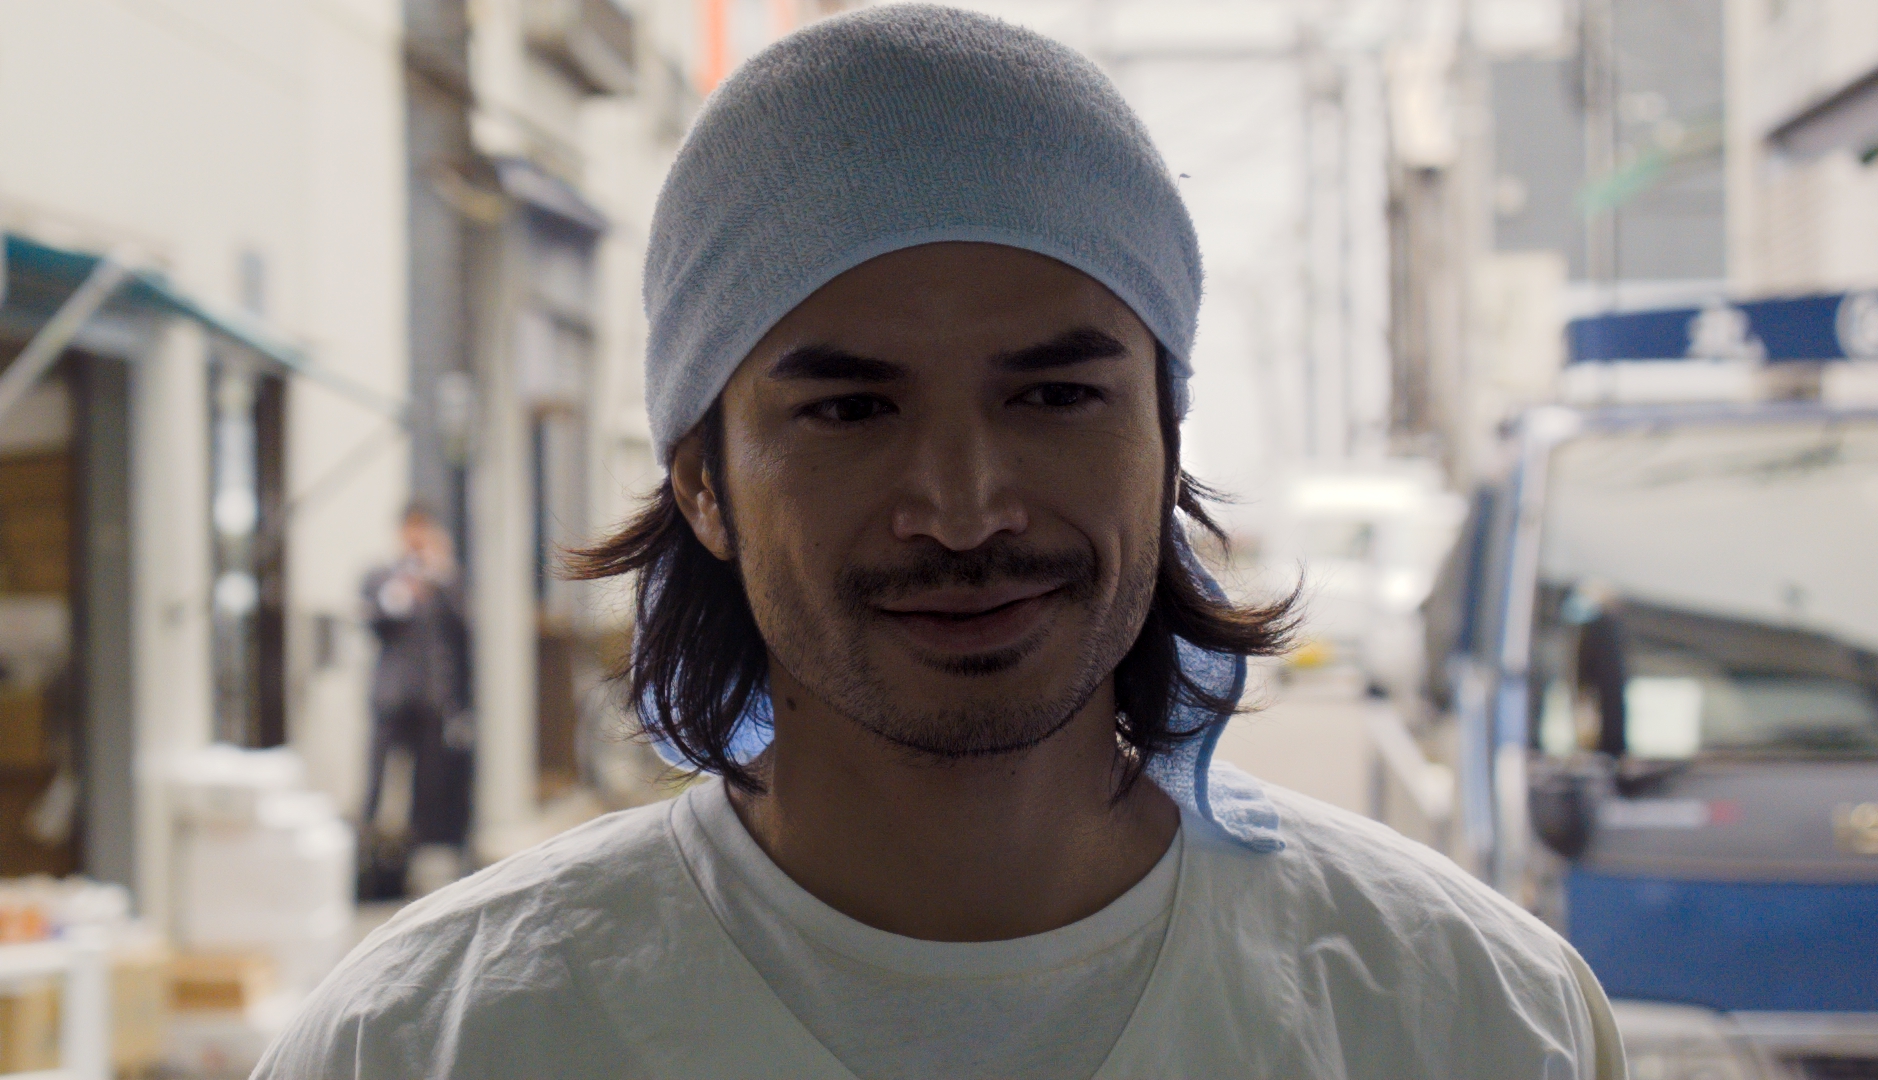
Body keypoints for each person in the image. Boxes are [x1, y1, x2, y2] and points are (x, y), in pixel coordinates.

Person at [256, 8, 1624, 1078]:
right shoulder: (434, 1041)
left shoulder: (1469, 1019)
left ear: (1165, 439)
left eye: (1055, 396)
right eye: (851, 410)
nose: (965, 509)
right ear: (705, 484)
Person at [358, 502, 473, 893]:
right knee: (376, 782)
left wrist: (441, 576)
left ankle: (418, 863)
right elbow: (376, 620)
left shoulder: (445, 580)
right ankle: (369, 863)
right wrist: (405, 590)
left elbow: (463, 627)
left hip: (431, 700)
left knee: (428, 787)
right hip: (391, 697)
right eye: (411, 528)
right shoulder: (380, 577)